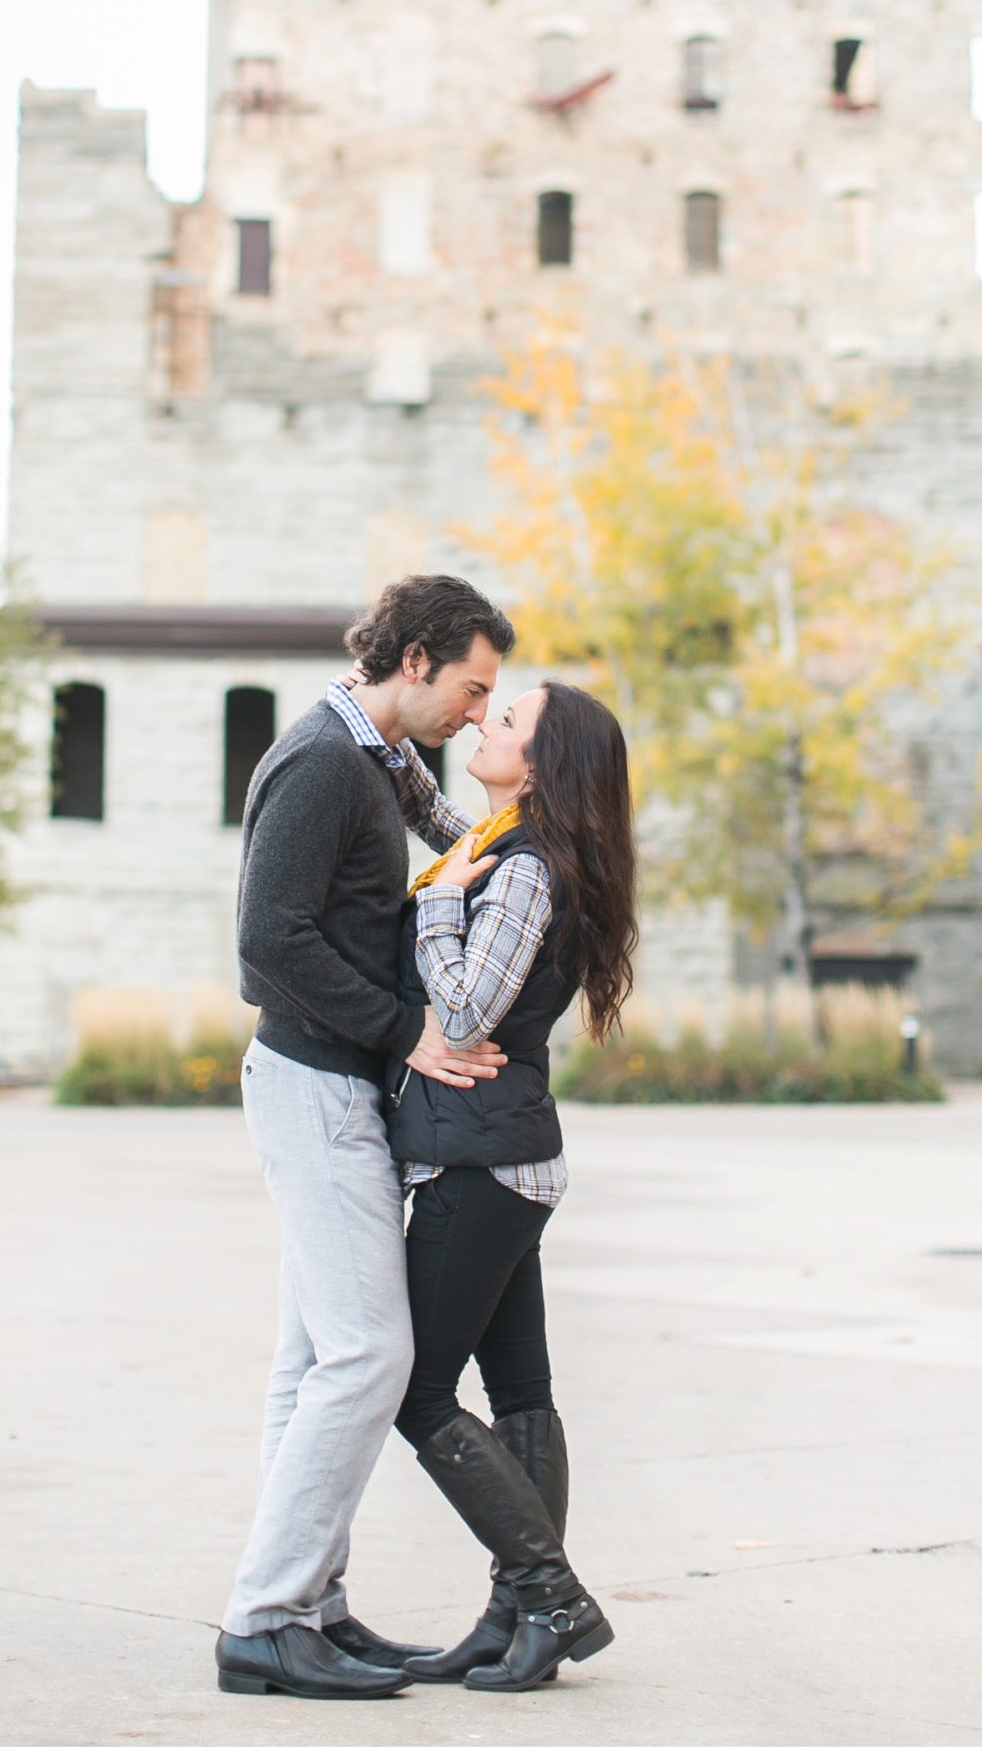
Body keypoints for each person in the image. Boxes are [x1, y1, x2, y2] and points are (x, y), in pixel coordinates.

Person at [214, 574, 519, 1703]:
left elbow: (422, 853)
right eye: (472, 688)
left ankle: (310, 1605)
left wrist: (478, 849)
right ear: (417, 659)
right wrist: (409, 1032)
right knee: (369, 1355)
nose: (477, 713)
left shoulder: (374, 759)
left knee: (313, 1362)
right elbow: (266, 944)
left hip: (334, 1085)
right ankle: (262, 1618)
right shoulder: (320, 762)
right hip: (314, 1085)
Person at [381, 677, 639, 1694]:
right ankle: (512, 1616)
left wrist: (437, 903)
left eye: (506, 716)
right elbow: (457, 832)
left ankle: (549, 1596)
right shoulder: (520, 845)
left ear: (538, 762)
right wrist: (399, 761)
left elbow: (463, 1006)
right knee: (520, 1392)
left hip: (478, 1165)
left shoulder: (519, 870)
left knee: (415, 1392)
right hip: (507, 1158)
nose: (484, 718)